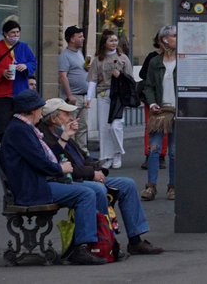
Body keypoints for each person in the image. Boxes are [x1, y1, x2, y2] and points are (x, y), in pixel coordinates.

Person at [38, 98, 163, 256]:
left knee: (128, 185)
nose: (71, 116)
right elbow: (63, 167)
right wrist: (92, 173)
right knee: (97, 189)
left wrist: (100, 170)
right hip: (72, 180)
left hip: (86, 176)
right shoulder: (48, 137)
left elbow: (83, 157)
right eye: (66, 113)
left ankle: (135, 240)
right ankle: (106, 240)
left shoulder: (61, 131)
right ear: (54, 117)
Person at [0, 90, 106, 265]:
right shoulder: (20, 130)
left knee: (92, 190)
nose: (41, 113)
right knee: (85, 194)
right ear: (32, 110)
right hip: (33, 188)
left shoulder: (24, 128)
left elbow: (46, 158)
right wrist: (60, 169)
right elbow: (41, 162)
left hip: (38, 183)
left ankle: (100, 242)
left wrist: (63, 142)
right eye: (40, 109)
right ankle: (82, 247)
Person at [0, 19, 38, 147]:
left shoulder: (24, 47)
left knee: (19, 125)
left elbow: (33, 62)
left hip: (19, 91)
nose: (16, 35)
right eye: (13, 32)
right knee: (0, 126)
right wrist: (2, 72)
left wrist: (25, 66)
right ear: (5, 33)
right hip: (0, 94)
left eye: (18, 32)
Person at [140, 25, 177, 201]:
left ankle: (173, 186)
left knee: (174, 151)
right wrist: (152, 102)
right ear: (165, 39)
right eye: (175, 36)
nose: (178, 39)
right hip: (160, 110)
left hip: (177, 111)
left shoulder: (183, 59)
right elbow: (148, 86)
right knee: (154, 149)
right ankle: (151, 186)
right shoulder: (155, 62)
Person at [86, 29, 132, 169]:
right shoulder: (98, 60)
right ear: (104, 42)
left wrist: (120, 77)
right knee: (104, 128)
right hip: (103, 95)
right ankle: (106, 156)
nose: (114, 43)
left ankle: (118, 152)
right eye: (110, 40)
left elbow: (130, 79)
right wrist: (89, 97)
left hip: (118, 96)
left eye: (115, 40)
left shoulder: (123, 58)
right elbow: (93, 79)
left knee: (115, 126)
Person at [138, 32, 168, 170]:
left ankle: (161, 155)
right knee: (150, 127)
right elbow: (143, 74)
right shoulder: (152, 57)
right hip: (152, 96)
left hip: (167, 97)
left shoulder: (174, 57)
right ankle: (149, 154)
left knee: (166, 126)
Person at [58, 25, 90, 149]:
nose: (83, 38)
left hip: (83, 96)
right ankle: (70, 152)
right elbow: (63, 76)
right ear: (72, 39)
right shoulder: (65, 55)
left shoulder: (79, 53)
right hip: (73, 97)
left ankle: (83, 152)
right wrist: (69, 95)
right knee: (70, 126)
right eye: (80, 36)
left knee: (82, 127)